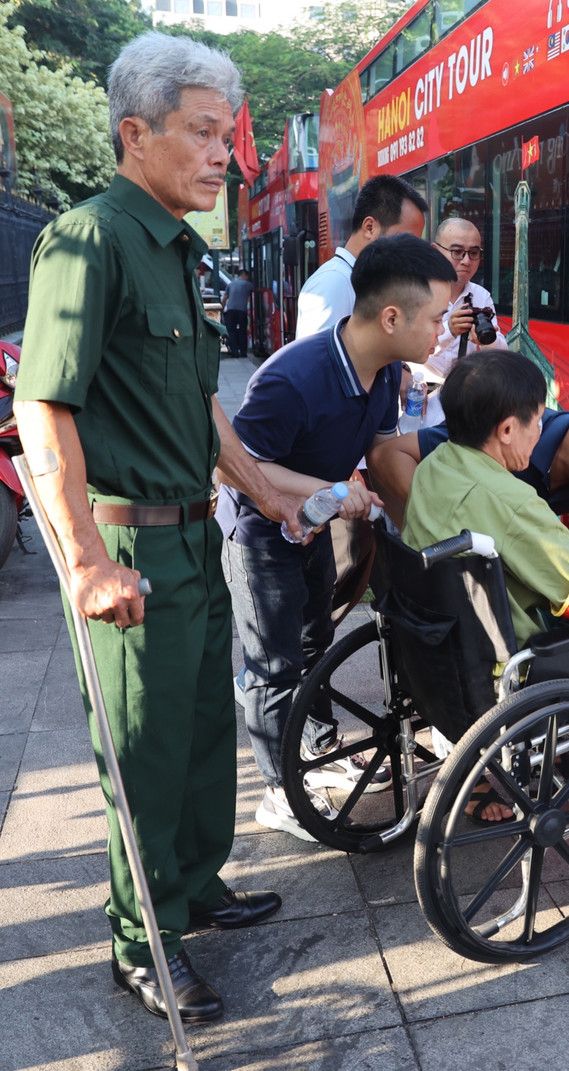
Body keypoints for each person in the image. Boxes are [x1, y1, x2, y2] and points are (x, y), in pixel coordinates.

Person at [14, 32, 301, 1025]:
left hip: (193, 533)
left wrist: (264, 491)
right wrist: (85, 559)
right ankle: (143, 944)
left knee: (199, 732)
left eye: (226, 136)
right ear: (136, 134)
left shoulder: (184, 250)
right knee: (142, 749)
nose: (224, 155)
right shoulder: (88, 239)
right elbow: (43, 409)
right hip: (126, 541)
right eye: (204, 135)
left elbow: (196, 403)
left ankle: (194, 886)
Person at [218, 234, 455, 840]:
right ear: (392, 315)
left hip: (314, 528)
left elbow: (378, 448)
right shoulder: (295, 377)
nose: (442, 332)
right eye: (435, 318)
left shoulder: (387, 372)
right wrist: (330, 483)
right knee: (273, 666)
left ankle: (318, 754)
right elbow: (238, 463)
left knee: (315, 642)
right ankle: (277, 791)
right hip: (260, 537)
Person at [402, 350, 569, 653]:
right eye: (537, 422)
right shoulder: (514, 502)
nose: (540, 432)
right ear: (507, 430)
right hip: (513, 637)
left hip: (448, 621)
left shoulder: (433, 463)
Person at [369, 386, 569, 574]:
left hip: (503, 575)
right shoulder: (506, 438)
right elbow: (387, 455)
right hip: (470, 576)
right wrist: (439, 524)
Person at [295, 174, 428, 339]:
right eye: (405, 240)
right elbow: (316, 362)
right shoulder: (333, 282)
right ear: (370, 228)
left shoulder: (359, 281)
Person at [413, 216, 495, 425]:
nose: (466, 261)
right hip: (420, 391)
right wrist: (449, 330)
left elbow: (499, 354)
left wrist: (485, 341)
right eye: (457, 252)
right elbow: (407, 349)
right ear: (435, 250)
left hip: (463, 395)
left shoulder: (481, 296)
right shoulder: (416, 291)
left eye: (473, 253)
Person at [222, 268, 253, 359]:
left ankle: (234, 351)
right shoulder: (249, 285)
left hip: (231, 310)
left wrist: (221, 310)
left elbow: (225, 298)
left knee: (231, 331)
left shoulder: (231, 284)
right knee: (243, 330)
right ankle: (243, 352)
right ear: (244, 275)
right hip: (242, 311)